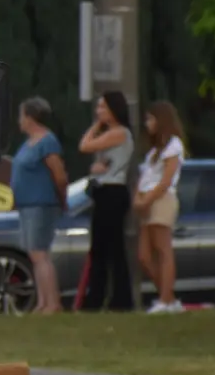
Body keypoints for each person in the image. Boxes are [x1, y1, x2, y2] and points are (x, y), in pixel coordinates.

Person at [77, 91, 135, 311]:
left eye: (102, 107)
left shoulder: (119, 133)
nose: (98, 111)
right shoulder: (112, 135)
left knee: (111, 248)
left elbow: (84, 145)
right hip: (104, 191)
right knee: (101, 248)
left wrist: (96, 125)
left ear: (113, 109)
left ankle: (117, 299)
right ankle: (100, 298)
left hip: (113, 193)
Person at [10, 97, 68, 315]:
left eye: (21, 115)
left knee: (40, 253)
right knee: (34, 254)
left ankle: (53, 303)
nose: (19, 121)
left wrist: (62, 200)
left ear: (30, 117)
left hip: (41, 204)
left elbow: (59, 175)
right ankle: (42, 303)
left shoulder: (47, 142)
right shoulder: (28, 143)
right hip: (26, 205)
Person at [135, 100, 187, 314]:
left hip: (161, 199)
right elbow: (145, 178)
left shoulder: (174, 145)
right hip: (147, 199)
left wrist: (147, 200)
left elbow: (166, 180)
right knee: (144, 255)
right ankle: (169, 298)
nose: (147, 123)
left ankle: (165, 300)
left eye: (150, 119)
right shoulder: (153, 151)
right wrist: (138, 198)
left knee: (163, 250)